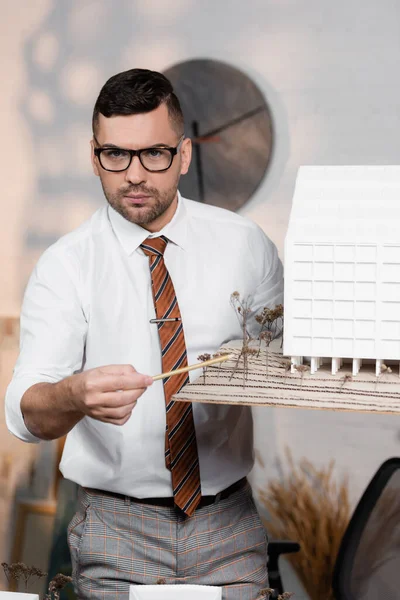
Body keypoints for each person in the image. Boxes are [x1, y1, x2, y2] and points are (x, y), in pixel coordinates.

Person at [5, 68, 283, 600]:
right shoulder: (66, 265)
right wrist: (72, 395)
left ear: (183, 154)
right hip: (113, 527)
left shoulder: (245, 245)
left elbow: (287, 354)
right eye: (116, 155)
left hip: (228, 522)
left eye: (153, 153)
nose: (134, 174)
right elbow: (23, 411)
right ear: (94, 156)